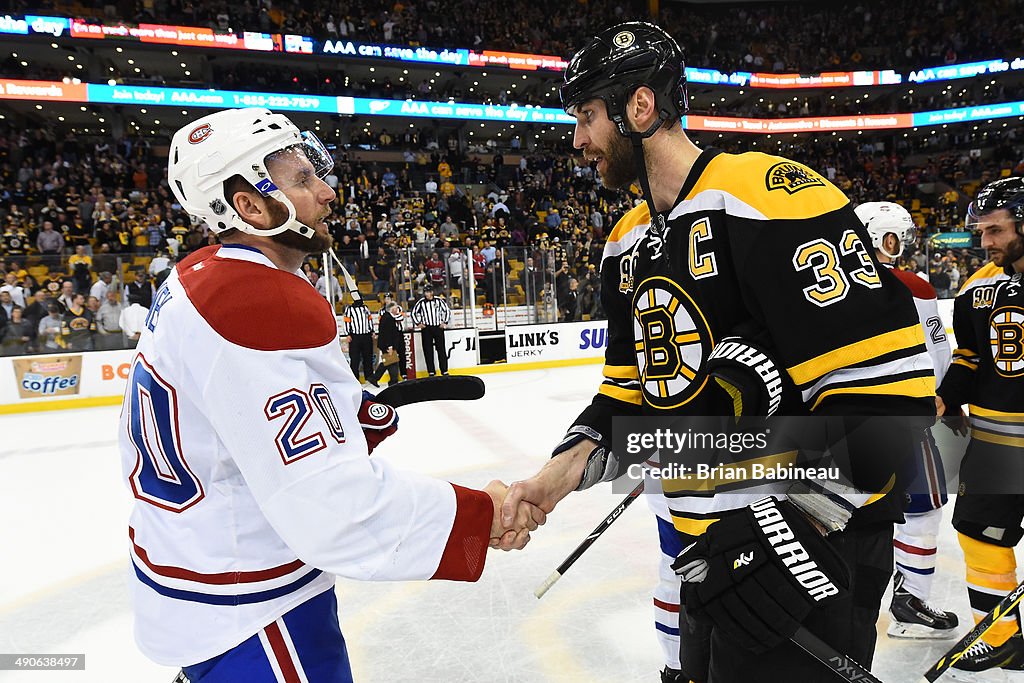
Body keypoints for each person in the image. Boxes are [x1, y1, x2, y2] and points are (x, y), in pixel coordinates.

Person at [501, 22, 935, 682]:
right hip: (714, 552)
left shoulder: (771, 195)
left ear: (639, 108)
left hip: (813, 552)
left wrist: (789, 531)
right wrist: (551, 482)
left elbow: (890, 398)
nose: (578, 138)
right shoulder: (624, 243)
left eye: (587, 115)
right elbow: (628, 400)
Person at [122, 108, 542, 683]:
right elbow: (329, 505)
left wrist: (347, 413)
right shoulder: (255, 299)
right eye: (300, 180)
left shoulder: (194, 277)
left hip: (193, 577)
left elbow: (232, 422)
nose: (326, 192)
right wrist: (479, 514)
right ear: (248, 205)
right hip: (257, 609)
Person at [855, 202, 958, 638]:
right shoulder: (914, 287)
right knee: (922, 512)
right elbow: (938, 359)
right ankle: (910, 601)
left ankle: (841, 600)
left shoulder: (824, 287)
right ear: (884, 237)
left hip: (841, 422)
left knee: (844, 512)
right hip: (903, 419)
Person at [935, 176, 1024, 672]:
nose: (984, 243)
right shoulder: (977, 287)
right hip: (995, 445)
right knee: (979, 534)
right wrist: (945, 398)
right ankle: (1001, 637)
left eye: (994, 231)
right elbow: (969, 356)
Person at [411, 285, 452, 377]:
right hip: (427, 329)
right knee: (428, 350)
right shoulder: (421, 302)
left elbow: (447, 311)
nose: (427, 294)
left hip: (438, 328)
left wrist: (445, 322)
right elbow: (413, 313)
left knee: (441, 349)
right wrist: (418, 324)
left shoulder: (438, 300)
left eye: (428, 292)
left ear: (432, 292)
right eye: (425, 292)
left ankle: (444, 370)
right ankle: (431, 371)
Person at [372, 302, 408, 386]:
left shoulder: (387, 317)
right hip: (387, 345)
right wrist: (390, 346)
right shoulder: (388, 319)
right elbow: (388, 334)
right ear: (392, 309)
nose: (397, 310)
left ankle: (376, 378)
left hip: (386, 344)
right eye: (396, 308)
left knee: (388, 362)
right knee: (391, 362)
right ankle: (392, 381)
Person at [343, 297, 375, 384]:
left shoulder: (365, 308)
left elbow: (369, 320)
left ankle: (369, 378)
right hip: (355, 336)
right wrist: (347, 334)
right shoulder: (349, 309)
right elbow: (346, 321)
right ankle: (354, 379)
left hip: (366, 335)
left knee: (368, 358)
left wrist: (372, 330)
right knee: (355, 359)